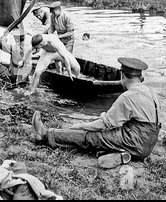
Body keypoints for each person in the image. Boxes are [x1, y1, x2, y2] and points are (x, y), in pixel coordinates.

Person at [32, 57, 161, 168]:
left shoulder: (127, 97)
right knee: (106, 137)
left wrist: (82, 125)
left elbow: (104, 124)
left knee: (91, 136)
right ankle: (120, 154)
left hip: (134, 142)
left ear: (123, 75)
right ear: (140, 77)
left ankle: (45, 135)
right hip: (148, 144)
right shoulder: (151, 91)